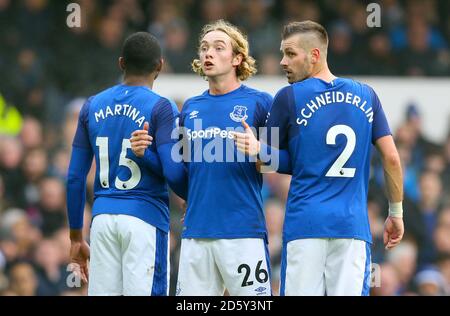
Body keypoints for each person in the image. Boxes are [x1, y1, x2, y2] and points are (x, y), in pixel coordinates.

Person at [233, 21, 405, 296]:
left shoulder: (288, 97)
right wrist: (395, 213)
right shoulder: (367, 95)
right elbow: (392, 158)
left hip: (305, 225)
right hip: (352, 228)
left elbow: (264, 162)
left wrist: (258, 149)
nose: (282, 61)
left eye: (290, 54)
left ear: (314, 55)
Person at [131, 20, 273, 296]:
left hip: (243, 232)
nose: (208, 53)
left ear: (237, 58)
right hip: (196, 232)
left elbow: (279, 162)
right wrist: (145, 154)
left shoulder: (261, 102)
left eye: (219, 48)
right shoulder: (191, 108)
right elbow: (183, 175)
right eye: (204, 48)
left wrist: (260, 150)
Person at [66, 32, 186, 296]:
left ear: (121, 63)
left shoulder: (92, 105)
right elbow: (174, 173)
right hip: (144, 219)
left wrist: (76, 237)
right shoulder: (162, 107)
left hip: (102, 220)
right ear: (160, 66)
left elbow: (75, 177)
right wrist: (190, 195)